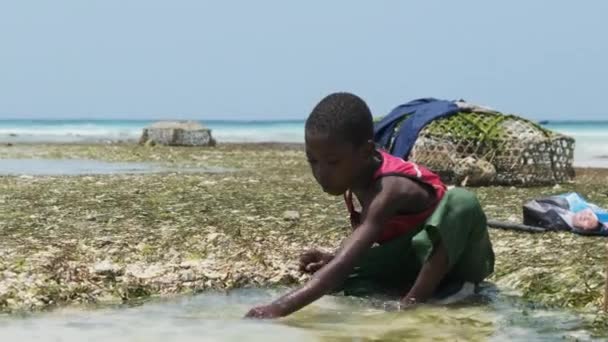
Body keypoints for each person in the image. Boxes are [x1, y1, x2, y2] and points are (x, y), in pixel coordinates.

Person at [245, 92, 495, 319]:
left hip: (458, 258)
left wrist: (277, 308)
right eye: (313, 161)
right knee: (346, 283)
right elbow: (360, 242)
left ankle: (415, 302)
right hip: (412, 255)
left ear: (365, 151)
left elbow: (353, 252)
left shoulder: (389, 188)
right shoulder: (356, 175)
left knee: (461, 201)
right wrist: (332, 258)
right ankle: (420, 293)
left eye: (332, 162)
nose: (322, 173)